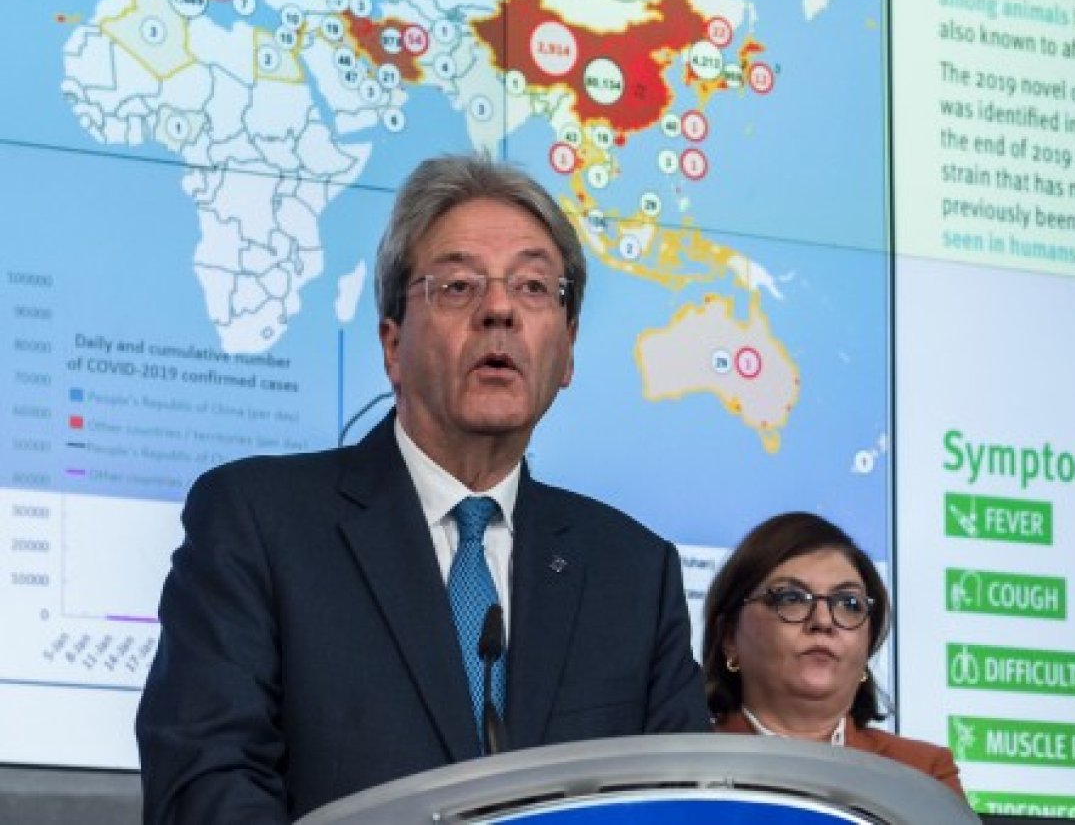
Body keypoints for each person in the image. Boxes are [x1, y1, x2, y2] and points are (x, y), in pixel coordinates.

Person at [136, 154, 709, 823]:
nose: (500, 310)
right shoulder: (259, 523)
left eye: (533, 287)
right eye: (459, 286)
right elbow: (206, 784)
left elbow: (685, 806)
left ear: (569, 350)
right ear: (392, 345)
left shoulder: (632, 574)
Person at [701, 512, 964, 795]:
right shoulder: (687, 763)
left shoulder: (922, 772)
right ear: (730, 636)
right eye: (791, 598)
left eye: (849, 603)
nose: (823, 621)